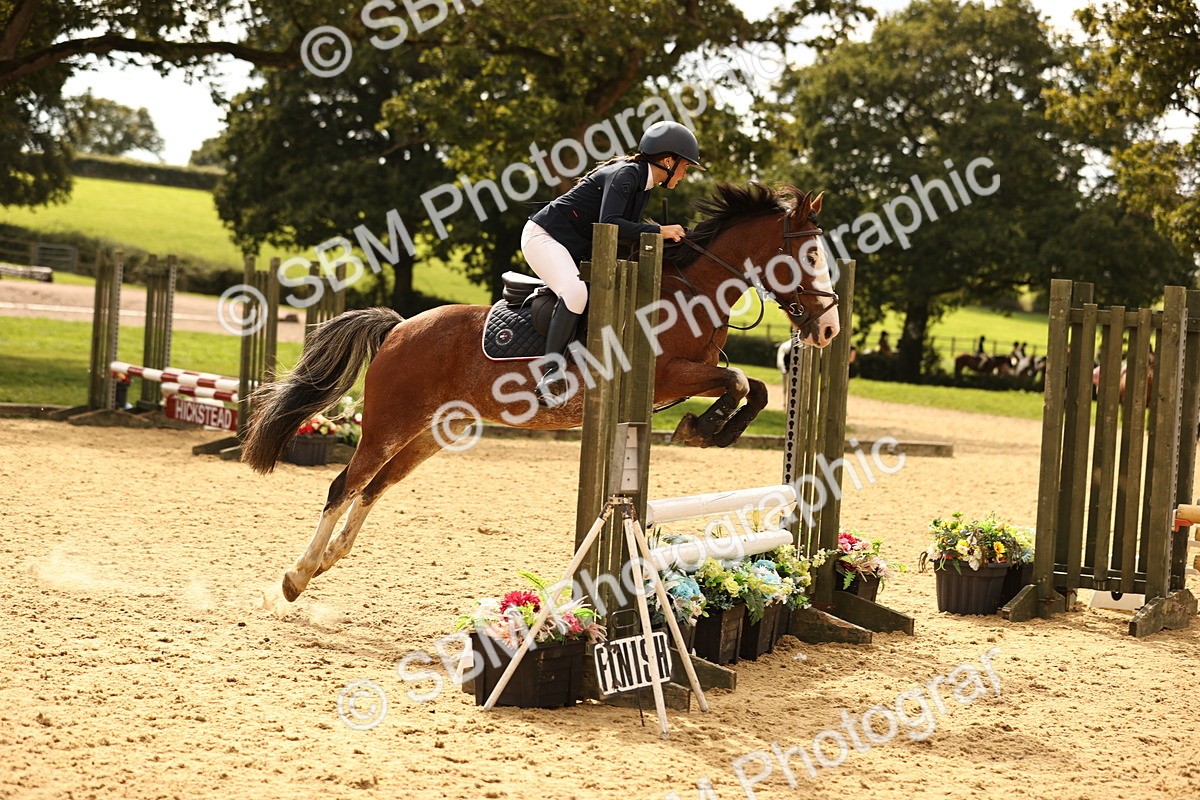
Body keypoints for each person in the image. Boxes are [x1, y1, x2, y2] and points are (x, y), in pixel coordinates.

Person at [522, 121, 702, 406]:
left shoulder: (642, 186)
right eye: (685, 167)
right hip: (544, 237)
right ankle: (549, 376)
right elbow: (609, 224)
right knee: (576, 293)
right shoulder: (627, 175)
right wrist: (659, 231)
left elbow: (622, 232)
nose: (684, 174)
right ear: (668, 160)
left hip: (572, 245)